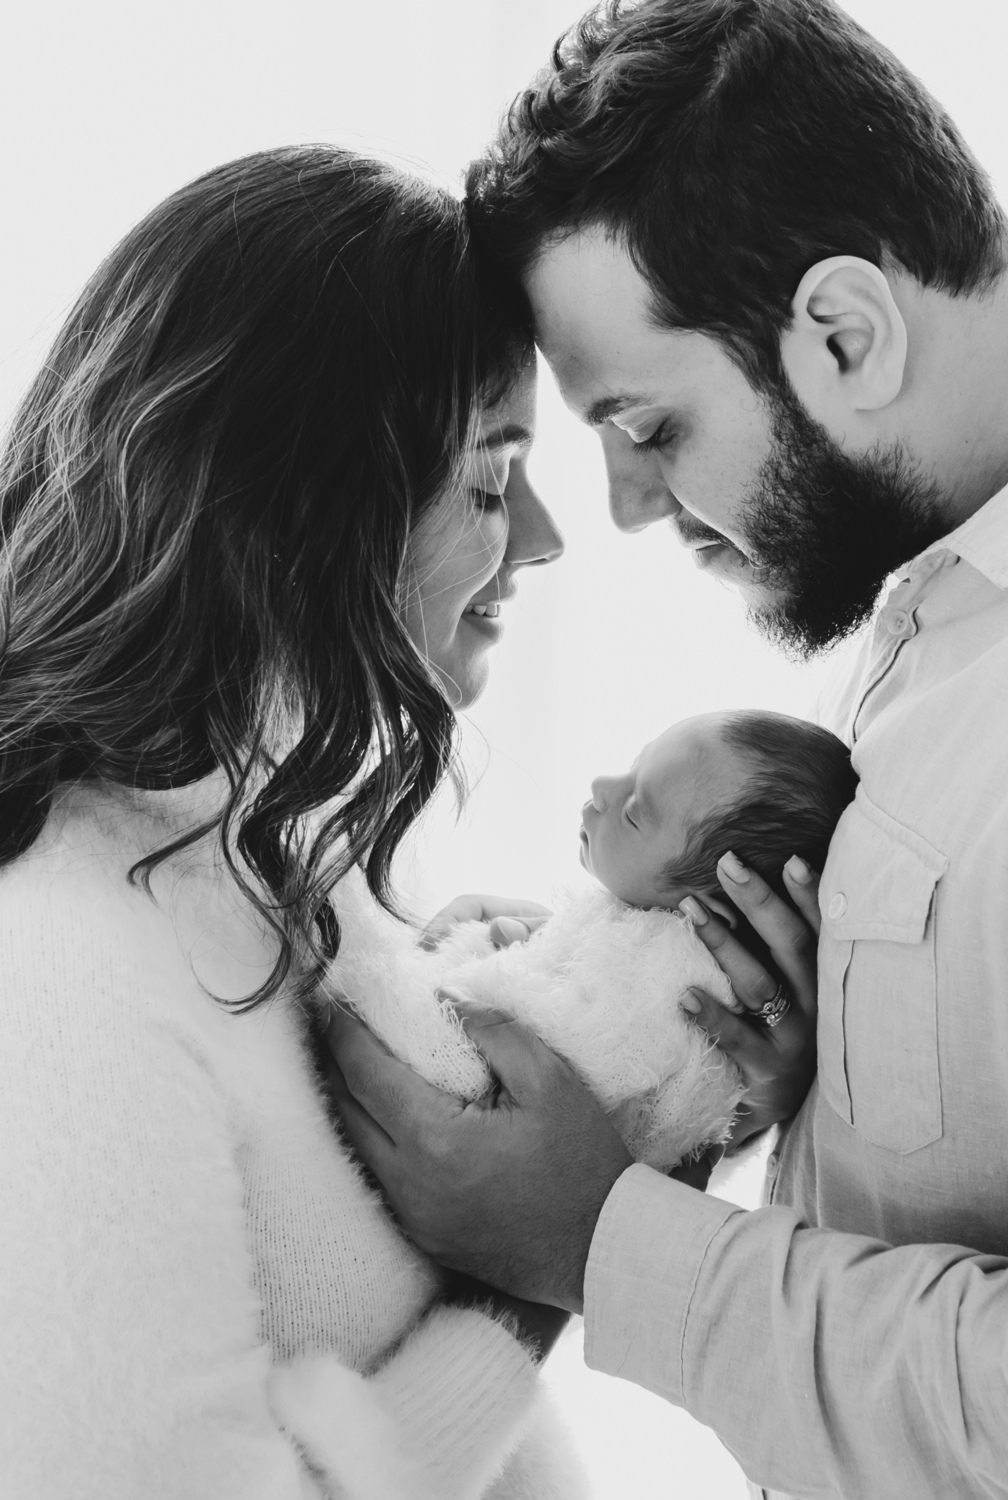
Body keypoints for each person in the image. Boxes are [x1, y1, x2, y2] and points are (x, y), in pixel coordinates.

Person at [322, 2, 1008, 1497]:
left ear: (846, 333)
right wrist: (756, 1074)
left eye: (650, 429)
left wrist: (602, 1242)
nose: (623, 510)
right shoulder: (960, 575)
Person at [0, 144, 580, 1499]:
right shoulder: (61, 968)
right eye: (492, 477)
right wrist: (530, 1291)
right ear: (304, 505)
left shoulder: (294, 857)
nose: (546, 537)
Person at [328, 710, 855, 1170]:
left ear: (705, 911)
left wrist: (456, 967)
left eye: (633, 813)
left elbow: (535, 1050)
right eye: (634, 763)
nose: (603, 785)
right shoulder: (632, 925)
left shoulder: (666, 982)